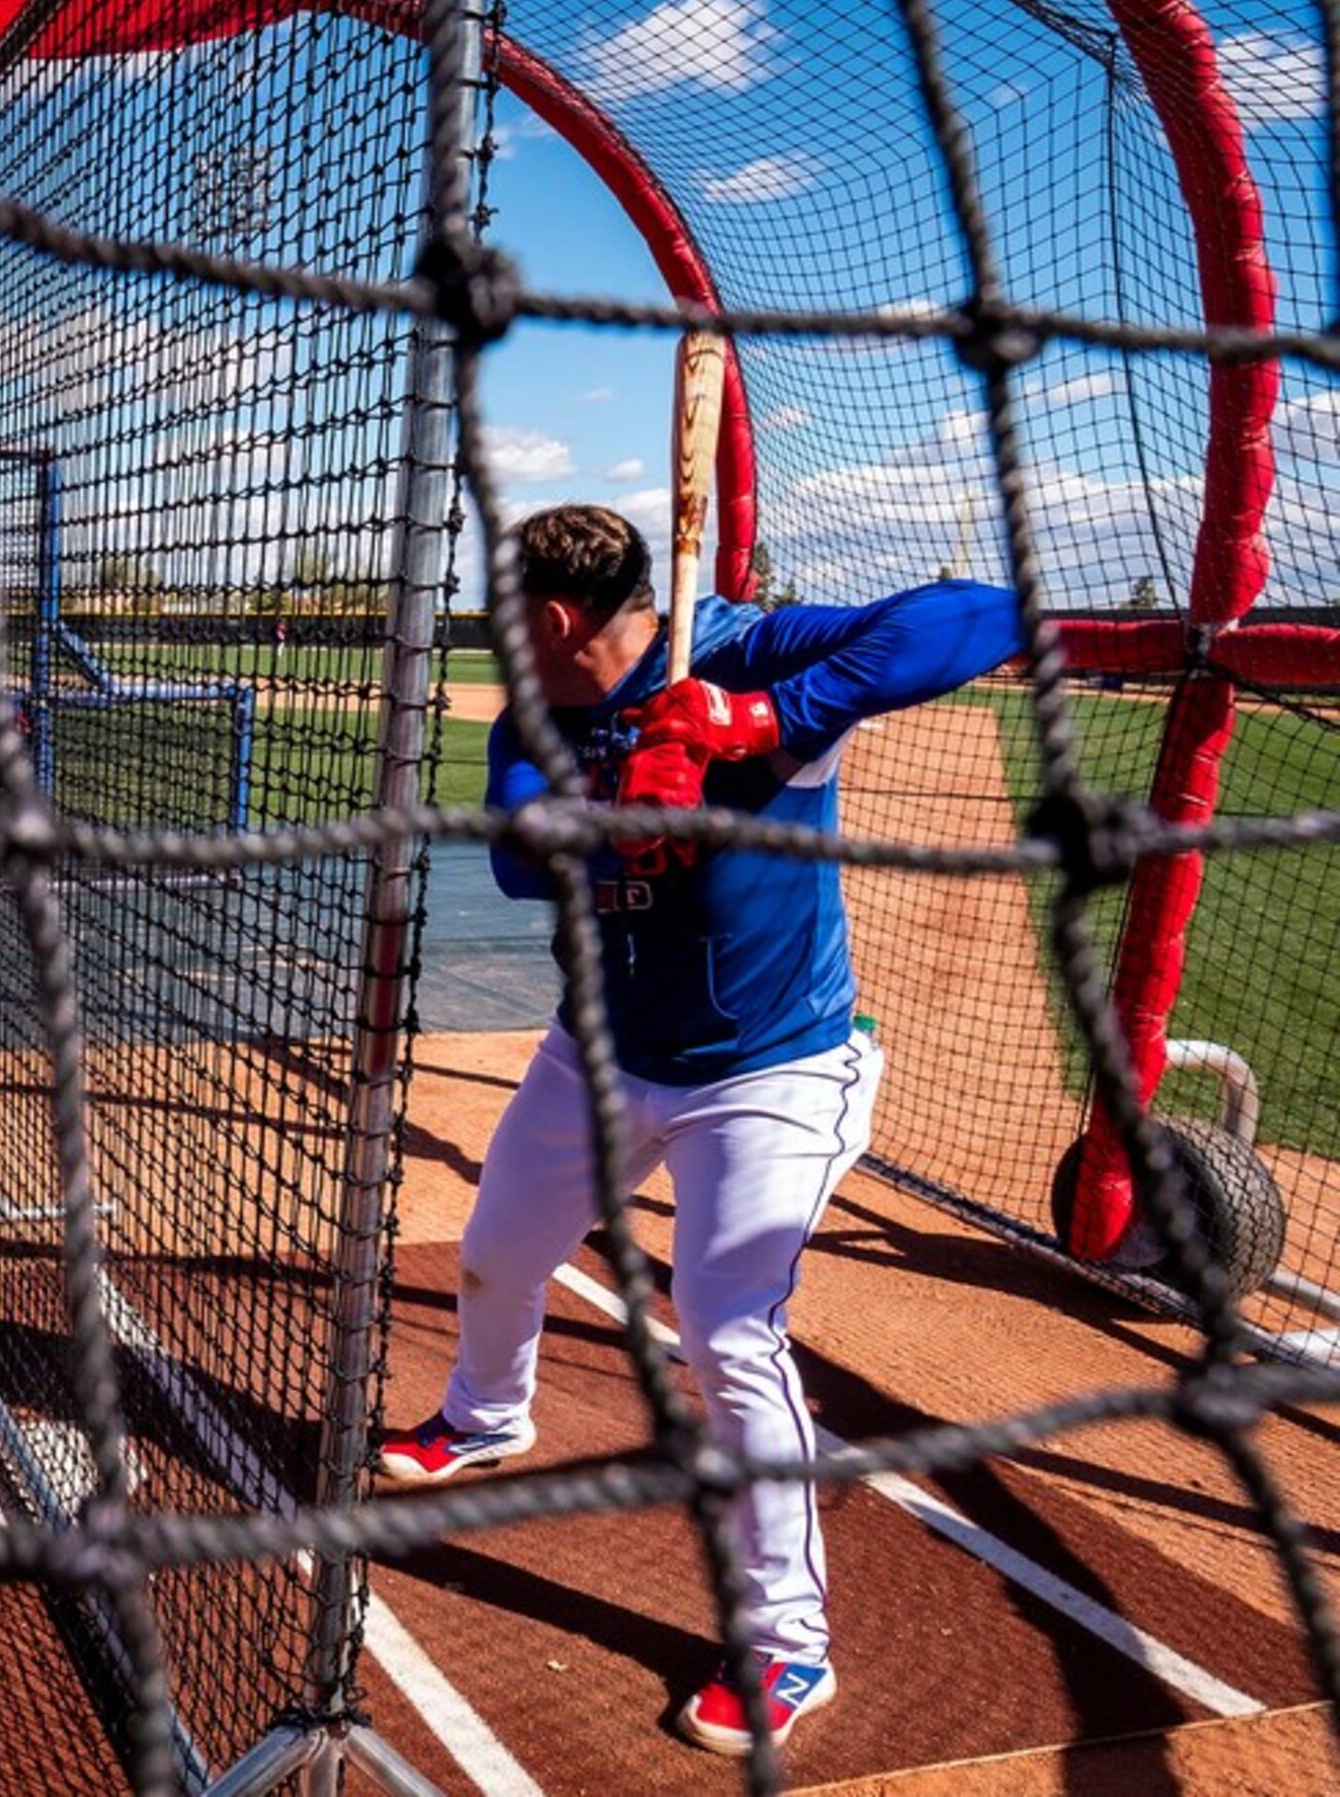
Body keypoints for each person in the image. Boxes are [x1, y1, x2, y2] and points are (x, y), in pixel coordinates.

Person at [377, 503, 1020, 1757]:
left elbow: (984, 614)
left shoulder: (749, 651)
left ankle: (787, 1643)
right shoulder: (539, 710)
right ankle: (485, 1414)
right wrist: (629, 799)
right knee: (499, 1252)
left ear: (555, 618)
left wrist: (752, 723)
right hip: (600, 1054)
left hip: (771, 1073)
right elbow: (519, 848)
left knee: (727, 1334)